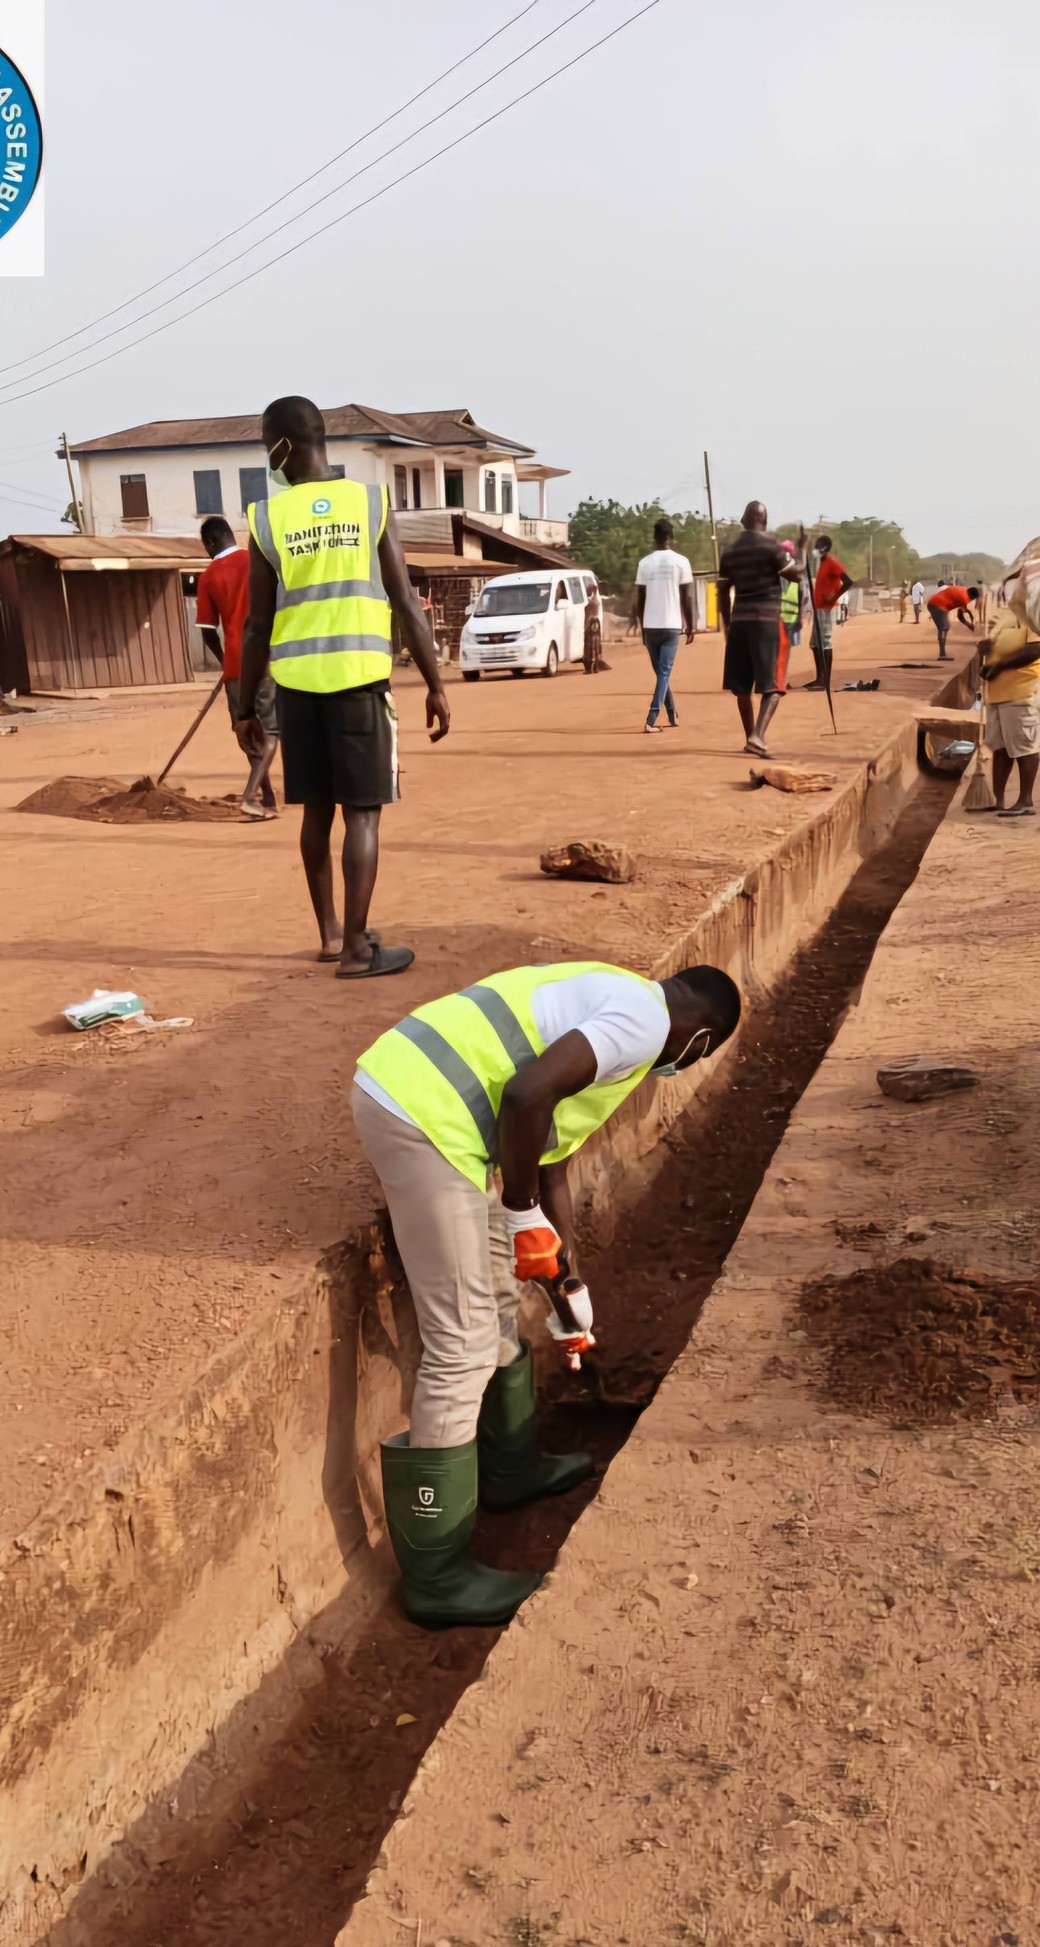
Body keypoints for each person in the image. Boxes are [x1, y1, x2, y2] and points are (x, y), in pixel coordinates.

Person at [352, 958, 743, 1626]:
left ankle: (510, 1468)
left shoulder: (614, 995)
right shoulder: (642, 1025)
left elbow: (549, 1153)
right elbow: (526, 1096)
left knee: (502, 1301)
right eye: (692, 1059)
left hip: (428, 1096)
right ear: (699, 1042)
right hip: (425, 1115)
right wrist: (521, 1205)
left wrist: (567, 1282)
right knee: (463, 1346)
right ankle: (437, 1578)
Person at [239, 395, 451, 979]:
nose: (267, 454)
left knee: (316, 814)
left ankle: (334, 935)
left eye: (265, 443)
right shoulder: (368, 503)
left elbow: (258, 624)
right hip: (360, 684)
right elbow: (405, 600)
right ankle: (359, 950)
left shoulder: (267, 518)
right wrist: (435, 685)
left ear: (283, 443)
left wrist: (242, 707)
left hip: (298, 689)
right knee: (363, 815)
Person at [196, 514, 277, 820]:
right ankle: (257, 796)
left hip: (235, 669)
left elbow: (207, 631)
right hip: (267, 662)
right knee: (270, 731)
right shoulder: (259, 563)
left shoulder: (208, 577)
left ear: (212, 541)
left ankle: (261, 797)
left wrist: (225, 660)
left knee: (249, 733)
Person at [718, 501, 796, 756]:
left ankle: (750, 736)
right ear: (764, 520)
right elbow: (795, 574)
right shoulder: (772, 547)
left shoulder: (729, 553)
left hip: (739, 623)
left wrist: (727, 625)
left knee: (742, 687)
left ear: (743, 520)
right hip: (766, 623)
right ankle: (758, 737)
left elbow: (722, 590)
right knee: (774, 686)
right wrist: (803, 555)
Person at [978, 602, 1040, 817]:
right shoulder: (1005, 615)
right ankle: (998, 799)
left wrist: (1000, 665)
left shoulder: (1033, 614)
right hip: (999, 691)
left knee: (1024, 745)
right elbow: (998, 648)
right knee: (1001, 746)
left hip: (1026, 688)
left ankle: (1025, 800)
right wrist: (986, 650)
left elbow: (1038, 648)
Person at [633, 517, 695, 730]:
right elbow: (687, 596)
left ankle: (671, 714)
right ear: (671, 537)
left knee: (662, 672)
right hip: (671, 625)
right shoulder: (681, 562)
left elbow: (639, 599)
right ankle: (651, 718)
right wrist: (692, 625)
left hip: (650, 626)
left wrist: (641, 626)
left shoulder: (644, 563)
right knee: (664, 672)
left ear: (655, 537)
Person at [807, 534, 854, 693]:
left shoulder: (832, 563)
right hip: (818, 609)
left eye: (817, 546)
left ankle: (824, 679)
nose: (814, 548)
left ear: (824, 548)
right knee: (814, 644)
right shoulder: (822, 563)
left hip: (827, 610)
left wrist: (834, 597)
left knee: (824, 643)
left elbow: (848, 581)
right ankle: (820, 677)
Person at [927, 582, 976, 661]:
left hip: (936, 604)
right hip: (937, 605)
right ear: (972, 597)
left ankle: (942, 653)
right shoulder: (964, 598)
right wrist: (969, 625)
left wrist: (970, 621)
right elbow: (960, 617)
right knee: (943, 628)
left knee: (945, 627)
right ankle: (942, 654)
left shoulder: (963, 589)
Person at [777, 539, 802, 691]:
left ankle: (779, 680)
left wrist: (799, 619)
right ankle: (778, 680)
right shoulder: (779, 573)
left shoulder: (794, 576)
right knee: (781, 652)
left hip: (788, 618)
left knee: (781, 652)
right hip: (781, 618)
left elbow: (800, 597)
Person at [581, 577, 606, 675]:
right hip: (595, 625)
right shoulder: (596, 600)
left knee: (590, 648)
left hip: (591, 624)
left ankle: (590, 669)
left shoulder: (593, 601)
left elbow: (589, 614)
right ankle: (595, 668)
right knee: (595, 647)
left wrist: (586, 625)